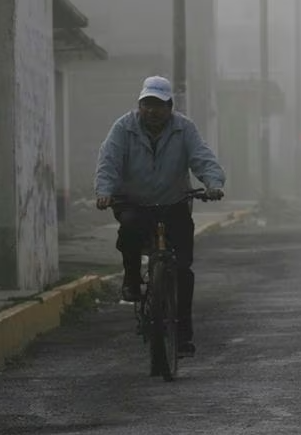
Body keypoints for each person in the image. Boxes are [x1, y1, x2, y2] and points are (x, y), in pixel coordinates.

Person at [94, 76, 225, 358]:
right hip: (134, 202)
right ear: (139, 104)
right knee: (128, 228)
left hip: (173, 203)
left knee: (182, 270)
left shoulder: (184, 128)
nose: (151, 110)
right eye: (146, 104)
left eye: (158, 104)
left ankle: (183, 335)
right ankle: (131, 279)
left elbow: (201, 157)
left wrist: (213, 183)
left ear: (170, 106)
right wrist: (104, 191)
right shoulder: (123, 128)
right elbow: (109, 161)